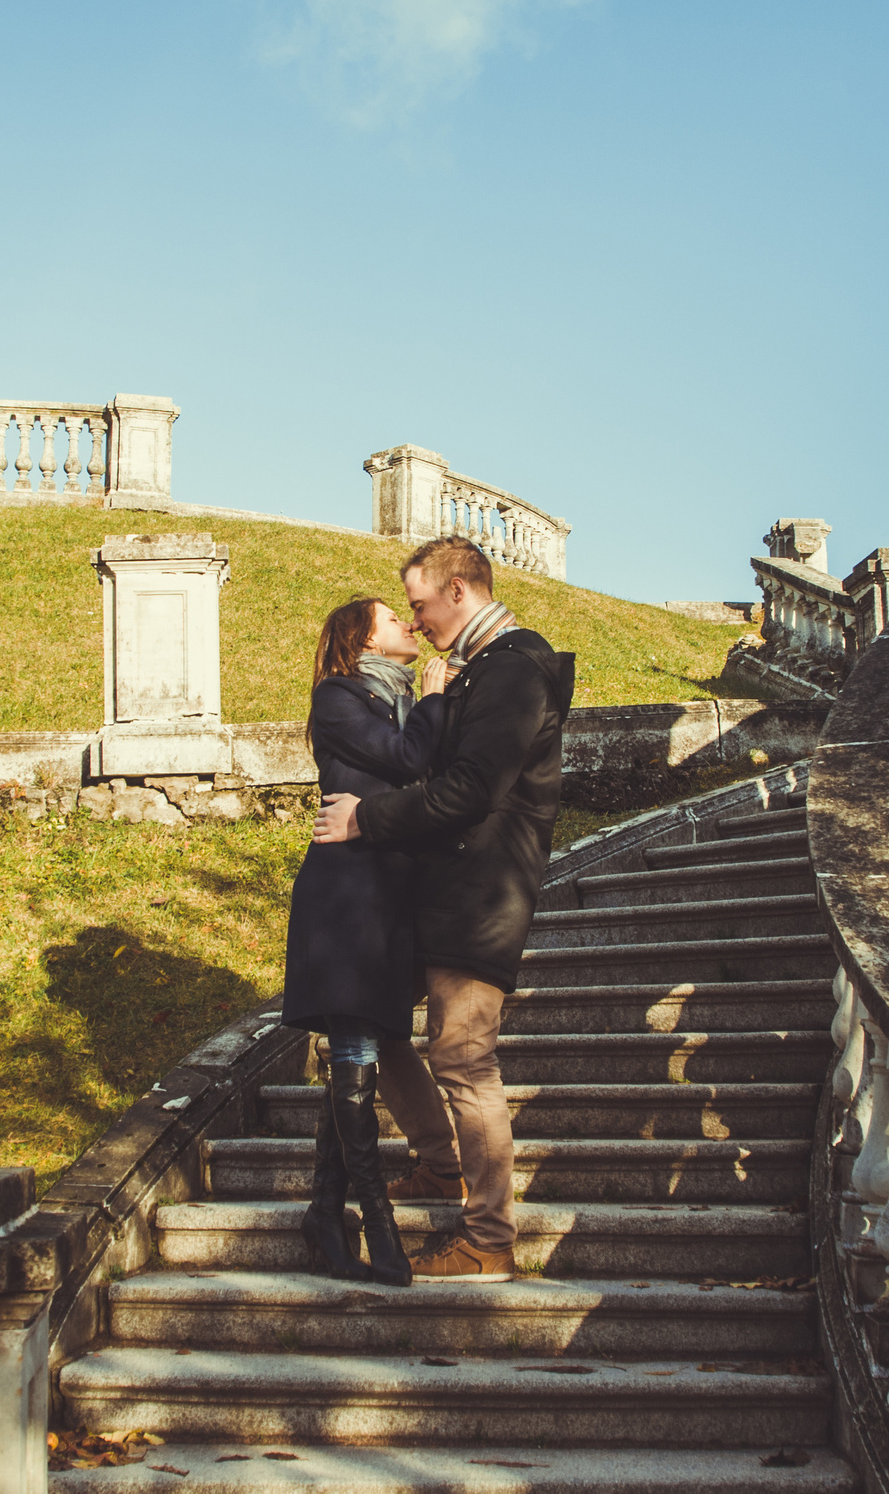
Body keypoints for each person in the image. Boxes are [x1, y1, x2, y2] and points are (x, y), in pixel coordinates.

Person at [311, 536, 575, 1283]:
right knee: (379, 1026)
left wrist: (366, 818)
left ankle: (488, 1237)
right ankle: (438, 1161)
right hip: (435, 887)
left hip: (482, 890)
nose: (417, 620)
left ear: (458, 592)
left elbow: (471, 789)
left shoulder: (514, 666)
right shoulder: (478, 667)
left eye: (420, 603)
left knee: (463, 1058)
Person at [281, 594, 450, 1288]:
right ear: (364, 640)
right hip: (345, 900)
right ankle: (377, 1224)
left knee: (357, 1053)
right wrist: (434, 700)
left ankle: (325, 1212)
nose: (408, 623)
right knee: (354, 1053)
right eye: (392, 617)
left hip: (388, 900)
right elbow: (408, 759)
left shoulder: (394, 700)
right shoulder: (340, 698)